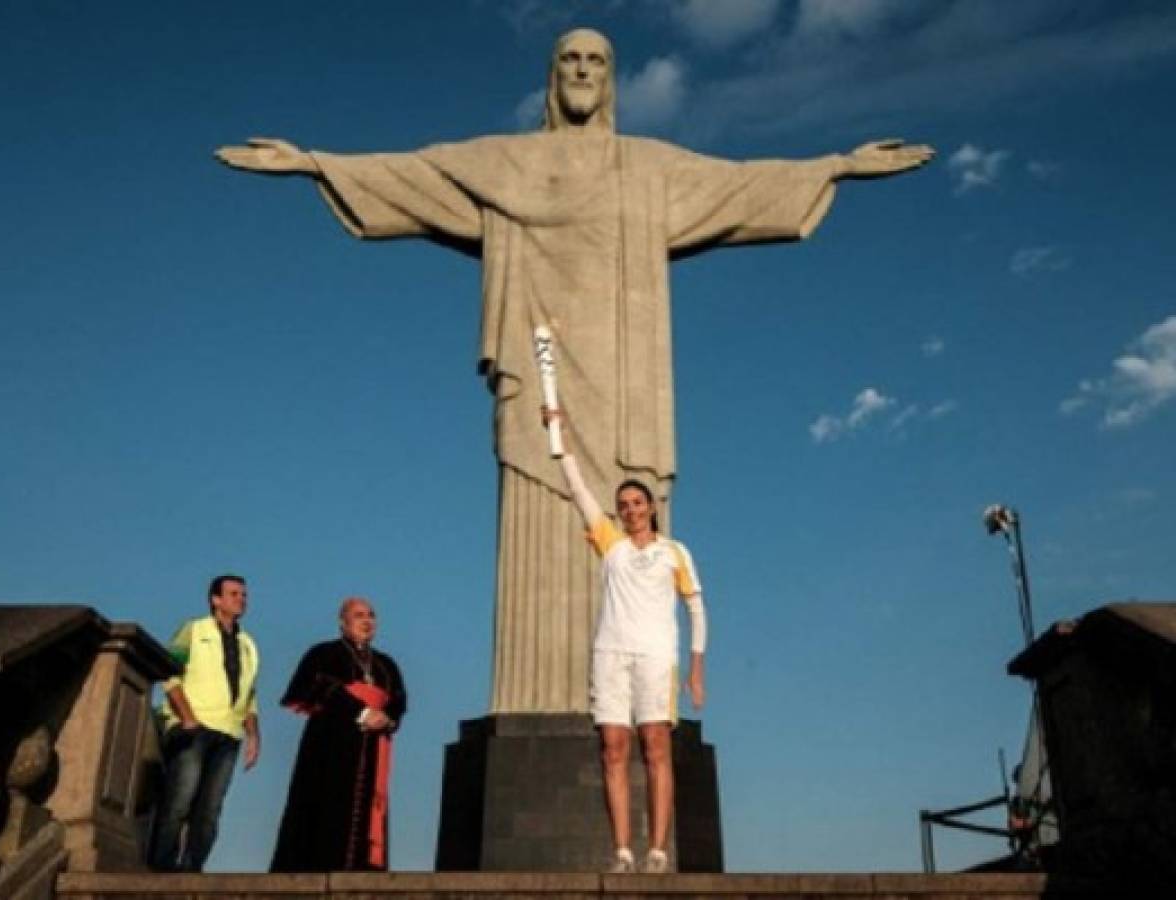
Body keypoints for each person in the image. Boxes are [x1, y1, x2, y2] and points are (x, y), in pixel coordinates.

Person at [215, 29, 932, 717]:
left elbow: (740, 187)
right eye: (570, 59)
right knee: (540, 509)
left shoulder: (649, 167)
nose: (584, 70)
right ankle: (532, 698)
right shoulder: (505, 164)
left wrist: (836, 164)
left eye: (597, 60)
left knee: (632, 533)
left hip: (626, 389)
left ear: (612, 79)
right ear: (553, 77)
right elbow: (417, 173)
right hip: (542, 378)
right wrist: (314, 162)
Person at [544, 409, 706, 875]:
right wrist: (558, 433)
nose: (631, 509)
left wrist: (696, 666)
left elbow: (696, 607)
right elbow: (577, 489)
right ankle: (621, 850)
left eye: (638, 502)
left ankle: (657, 849)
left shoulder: (674, 552)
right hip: (610, 654)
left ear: (652, 507)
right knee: (612, 746)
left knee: (655, 745)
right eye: (624, 504)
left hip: (656, 656)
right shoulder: (610, 543)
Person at [270, 597, 407, 872]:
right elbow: (315, 685)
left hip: (373, 747)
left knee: (370, 811)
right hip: (331, 744)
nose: (367, 621)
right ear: (343, 622)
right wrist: (362, 711)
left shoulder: (385, 664)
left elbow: (399, 698)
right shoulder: (323, 653)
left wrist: (386, 717)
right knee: (327, 808)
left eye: (371, 615)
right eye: (358, 615)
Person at [150, 574, 260, 872]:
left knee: (210, 810)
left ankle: (191, 871)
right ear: (216, 600)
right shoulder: (193, 630)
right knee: (180, 800)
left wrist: (253, 736)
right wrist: (187, 717)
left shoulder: (248, 644)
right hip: (193, 728)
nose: (242, 599)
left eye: (244, 595)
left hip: (229, 735)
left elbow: (249, 695)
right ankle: (160, 869)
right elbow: (168, 674)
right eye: (234, 594)